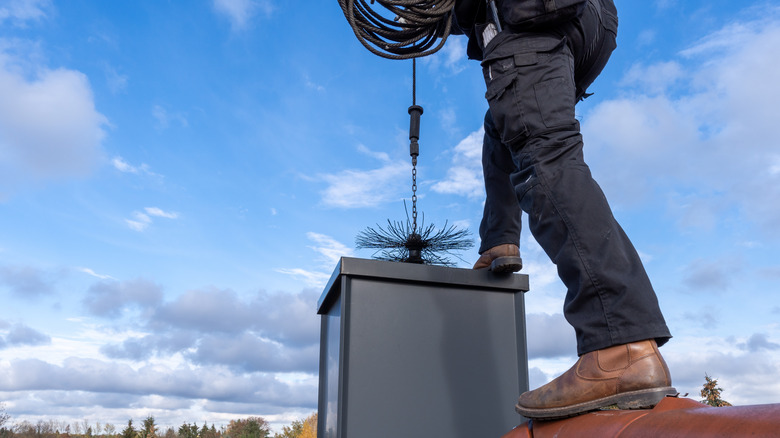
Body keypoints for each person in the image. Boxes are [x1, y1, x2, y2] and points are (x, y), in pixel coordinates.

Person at [451, 0, 676, 419]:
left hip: (527, 14)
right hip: (591, 21)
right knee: (503, 122)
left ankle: (620, 348)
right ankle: (499, 238)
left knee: (545, 156)